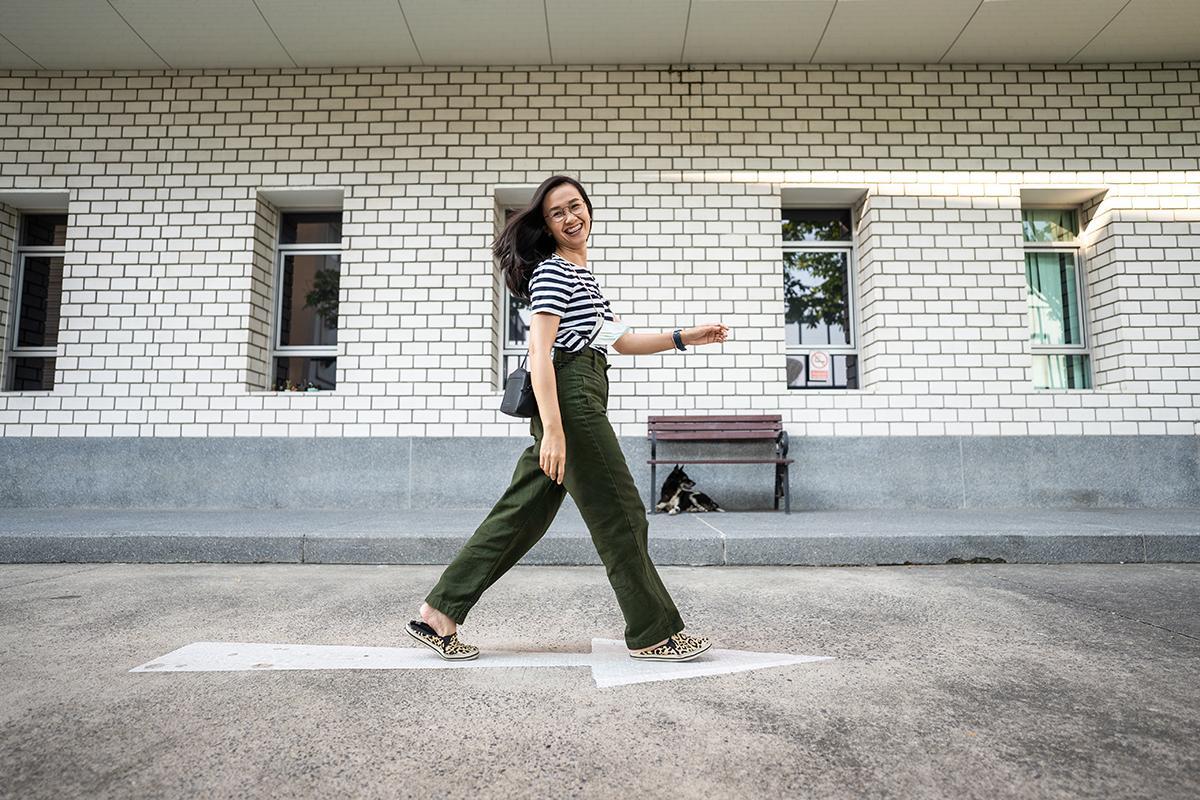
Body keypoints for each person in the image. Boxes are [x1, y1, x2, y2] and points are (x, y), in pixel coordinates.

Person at [406, 174, 730, 663]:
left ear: (589, 210)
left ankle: (440, 612)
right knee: (620, 513)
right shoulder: (555, 272)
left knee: (522, 514)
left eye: (575, 206)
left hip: (577, 396)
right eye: (557, 213)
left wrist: (685, 337)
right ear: (548, 225)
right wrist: (555, 431)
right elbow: (540, 352)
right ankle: (653, 632)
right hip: (571, 402)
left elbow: (621, 341)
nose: (570, 217)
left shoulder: (583, 277)